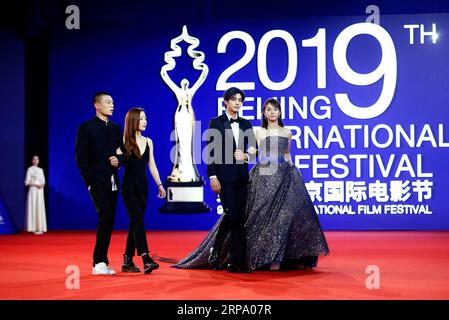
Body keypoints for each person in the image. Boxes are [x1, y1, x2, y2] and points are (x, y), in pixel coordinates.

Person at [175, 98, 329, 271]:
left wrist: (292, 169)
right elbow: (254, 150)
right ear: (264, 113)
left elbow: (287, 154)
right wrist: (247, 155)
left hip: (285, 176)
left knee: (284, 219)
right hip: (263, 176)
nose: (272, 112)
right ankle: (246, 255)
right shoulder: (258, 131)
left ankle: (279, 257)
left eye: (275, 109)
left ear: (279, 112)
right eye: (268, 109)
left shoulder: (287, 132)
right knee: (257, 216)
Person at [175, 87, 257, 273]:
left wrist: (245, 156)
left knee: (239, 218)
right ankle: (217, 248)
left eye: (240, 100)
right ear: (225, 102)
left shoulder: (246, 124)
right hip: (224, 177)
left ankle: (235, 262)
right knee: (232, 215)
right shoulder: (216, 123)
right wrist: (212, 176)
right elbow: (210, 152)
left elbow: (253, 151)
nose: (237, 102)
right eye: (234, 99)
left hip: (242, 178)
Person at [75, 92, 123, 275]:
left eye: (113, 102)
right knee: (106, 215)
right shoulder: (86, 128)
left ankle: (101, 261)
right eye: (108, 102)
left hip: (113, 181)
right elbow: (81, 158)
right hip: (97, 181)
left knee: (109, 219)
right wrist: (90, 182)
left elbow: (123, 152)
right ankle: (99, 262)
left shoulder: (116, 128)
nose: (112, 105)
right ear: (97, 105)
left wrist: (118, 159)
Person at [117, 107, 166, 274]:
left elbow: (152, 165)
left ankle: (127, 260)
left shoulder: (149, 141)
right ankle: (145, 257)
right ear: (133, 121)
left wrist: (160, 184)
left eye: (146, 118)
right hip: (128, 186)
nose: (145, 121)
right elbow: (116, 163)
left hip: (143, 187)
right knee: (137, 220)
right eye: (141, 118)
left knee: (134, 222)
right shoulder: (123, 141)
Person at [25, 155, 47, 235]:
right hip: (33, 190)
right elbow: (27, 182)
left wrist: (42, 185)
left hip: (40, 191)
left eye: (37, 159)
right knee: (33, 206)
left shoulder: (41, 170)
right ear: (32, 161)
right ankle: (33, 228)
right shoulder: (30, 169)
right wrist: (35, 185)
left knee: (39, 207)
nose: (36, 160)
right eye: (34, 159)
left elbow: (43, 181)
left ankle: (40, 227)